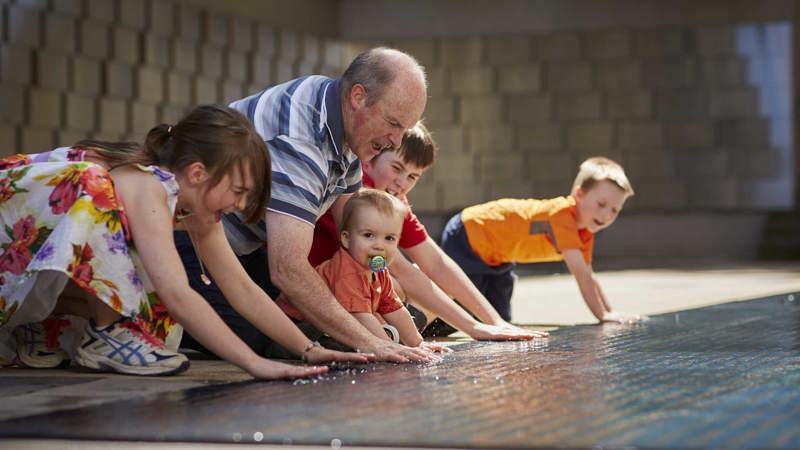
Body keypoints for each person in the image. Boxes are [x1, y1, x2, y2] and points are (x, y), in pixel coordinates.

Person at [0, 105, 367, 379]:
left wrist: (308, 349)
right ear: (197, 173)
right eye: (238, 192)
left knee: (159, 322)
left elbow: (241, 288)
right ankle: (104, 331)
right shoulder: (148, 185)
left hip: (23, 270)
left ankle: (38, 326)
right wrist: (255, 364)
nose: (240, 206)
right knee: (93, 187)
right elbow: (178, 292)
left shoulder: (195, 210)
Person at [178, 47, 434, 363]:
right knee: (263, 335)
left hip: (236, 246)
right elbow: (287, 268)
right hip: (193, 239)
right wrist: (371, 341)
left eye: (404, 130)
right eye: (393, 123)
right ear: (358, 97)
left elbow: (359, 231)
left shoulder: (344, 122)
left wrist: (384, 290)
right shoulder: (302, 140)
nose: (396, 142)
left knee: (291, 319)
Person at [310, 122, 548, 340]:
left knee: (436, 284)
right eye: (396, 168)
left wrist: (496, 321)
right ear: (370, 160)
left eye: (412, 176)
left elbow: (436, 262)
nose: (402, 182)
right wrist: (474, 327)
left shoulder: (394, 201)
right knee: (393, 280)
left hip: (353, 291)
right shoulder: (359, 195)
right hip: (321, 288)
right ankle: (388, 333)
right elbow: (401, 271)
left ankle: (398, 330)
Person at [441, 156, 644, 323]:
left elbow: (589, 276)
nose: (607, 214)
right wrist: (603, 315)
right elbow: (581, 276)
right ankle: (414, 322)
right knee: (457, 305)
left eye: (615, 210)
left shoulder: (584, 232)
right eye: (601, 204)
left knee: (498, 320)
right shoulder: (562, 216)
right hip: (469, 234)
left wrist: (611, 312)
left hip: (498, 255)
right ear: (579, 194)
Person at [280, 189, 448, 352]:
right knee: (349, 340)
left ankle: (387, 337)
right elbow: (360, 316)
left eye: (389, 238)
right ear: (346, 239)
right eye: (368, 235)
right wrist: (389, 346)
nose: (379, 245)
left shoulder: (378, 270)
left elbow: (394, 308)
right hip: (294, 327)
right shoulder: (346, 271)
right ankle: (386, 338)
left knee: (362, 334)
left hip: (333, 323)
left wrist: (417, 342)